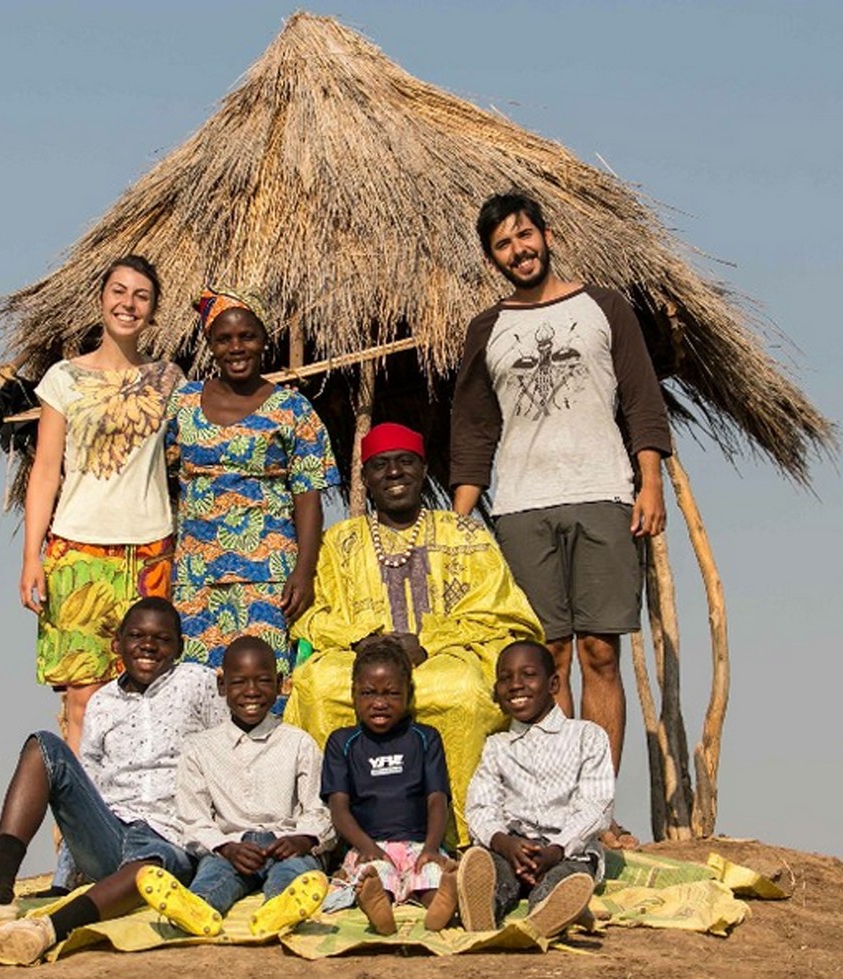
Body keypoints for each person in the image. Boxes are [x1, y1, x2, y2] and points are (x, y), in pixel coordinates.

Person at [451, 193, 672, 845]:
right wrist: (463, 521)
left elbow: (640, 396)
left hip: (602, 490)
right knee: (547, 655)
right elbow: (472, 430)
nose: (519, 251)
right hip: (520, 504)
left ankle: (595, 814)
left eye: (525, 236)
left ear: (547, 235)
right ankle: (554, 812)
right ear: (492, 257)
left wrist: (649, 480)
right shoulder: (485, 329)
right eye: (503, 245)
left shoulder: (604, 308)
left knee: (602, 650)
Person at [0, 598, 225, 965]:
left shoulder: (198, 682)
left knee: (151, 865)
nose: (148, 645)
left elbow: (226, 753)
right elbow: (91, 784)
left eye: (162, 638)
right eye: (136, 636)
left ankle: (48, 929)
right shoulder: (103, 703)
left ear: (178, 646)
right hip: (109, 833)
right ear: (118, 643)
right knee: (43, 746)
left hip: (172, 839)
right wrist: (63, 880)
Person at [284, 422, 543, 845]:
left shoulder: (466, 533)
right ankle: (329, 836)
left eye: (405, 463)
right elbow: (312, 615)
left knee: (461, 690)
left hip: (445, 655)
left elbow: (504, 613)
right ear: (365, 479)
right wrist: (365, 641)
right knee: (320, 683)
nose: (394, 473)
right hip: (361, 656)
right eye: (380, 466)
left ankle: (466, 836)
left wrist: (429, 642)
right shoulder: (339, 540)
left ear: (423, 471)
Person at [20, 255, 184, 754]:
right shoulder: (63, 378)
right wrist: (32, 557)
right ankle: (78, 824)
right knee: (82, 697)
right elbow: (46, 469)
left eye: (140, 296)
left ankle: (136, 818)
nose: (128, 303)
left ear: (153, 311)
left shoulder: (169, 380)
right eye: (119, 291)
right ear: (101, 299)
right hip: (77, 549)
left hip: (150, 548)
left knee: (148, 692)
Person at [166, 288, 339, 711]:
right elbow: (162, 481)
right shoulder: (183, 402)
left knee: (266, 689)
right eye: (224, 339)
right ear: (210, 346)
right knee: (200, 690)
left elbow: (308, 495)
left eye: (247, 336)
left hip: (269, 573)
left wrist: (304, 570)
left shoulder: (292, 409)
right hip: (196, 573)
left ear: (265, 340)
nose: (236, 347)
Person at [136, 636, 332, 937]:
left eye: (263, 681)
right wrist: (226, 847)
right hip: (231, 848)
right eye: (239, 682)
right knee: (214, 878)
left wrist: (303, 839)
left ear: (280, 683)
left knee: (292, 876)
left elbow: (319, 808)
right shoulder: (199, 748)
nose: (252, 692)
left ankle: (279, 911)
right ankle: (193, 908)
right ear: (222, 686)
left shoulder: (298, 743)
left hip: (285, 845)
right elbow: (193, 818)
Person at [457, 640, 614, 938]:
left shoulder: (587, 737)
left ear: (553, 683)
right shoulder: (496, 747)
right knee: (492, 870)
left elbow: (597, 806)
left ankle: (546, 913)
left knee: (566, 878)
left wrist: (556, 850)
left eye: (528, 675)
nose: (515, 685)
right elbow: (481, 806)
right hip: (513, 849)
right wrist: (504, 843)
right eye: (505, 678)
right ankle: (483, 909)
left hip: (567, 849)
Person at [321, 636, 458, 935]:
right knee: (375, 877)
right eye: (368, 693)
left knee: (431, 876)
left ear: (408, 694)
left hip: (419, 844)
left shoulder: (425, 738)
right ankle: (377, 909)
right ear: (354, 694)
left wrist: (433, 848)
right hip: (369, 844)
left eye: (392, 693)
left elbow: (437, 799)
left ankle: (442, 906)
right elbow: (339, 809)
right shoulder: (342, 743)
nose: (379, 702)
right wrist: (367, 848)